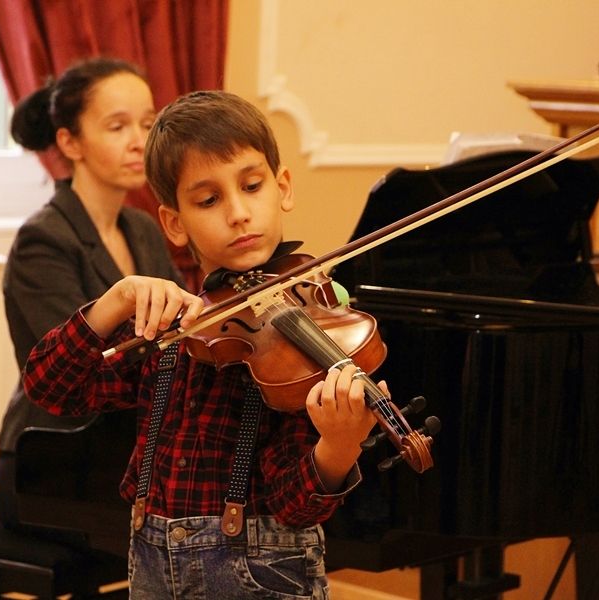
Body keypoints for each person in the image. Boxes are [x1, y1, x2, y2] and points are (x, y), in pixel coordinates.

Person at [22, 90, 385, 599]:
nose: (238, 213)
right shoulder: (171, 328)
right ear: (174, 223)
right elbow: (50, 387)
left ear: (282, 187)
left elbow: (294, 507)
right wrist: (115, 301)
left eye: (252, 186)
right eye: (209, 200)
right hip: (151, 570)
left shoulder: (305, 339)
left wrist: (339, 446)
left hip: (262, 578)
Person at [0, 57, 186, 543]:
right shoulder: (44, 239)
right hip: (53, 463)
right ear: (69, 143)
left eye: (147, 123)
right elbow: (75, 371)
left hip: (124, 456)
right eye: (117, 127)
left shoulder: (143, 229)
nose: (139, 141)